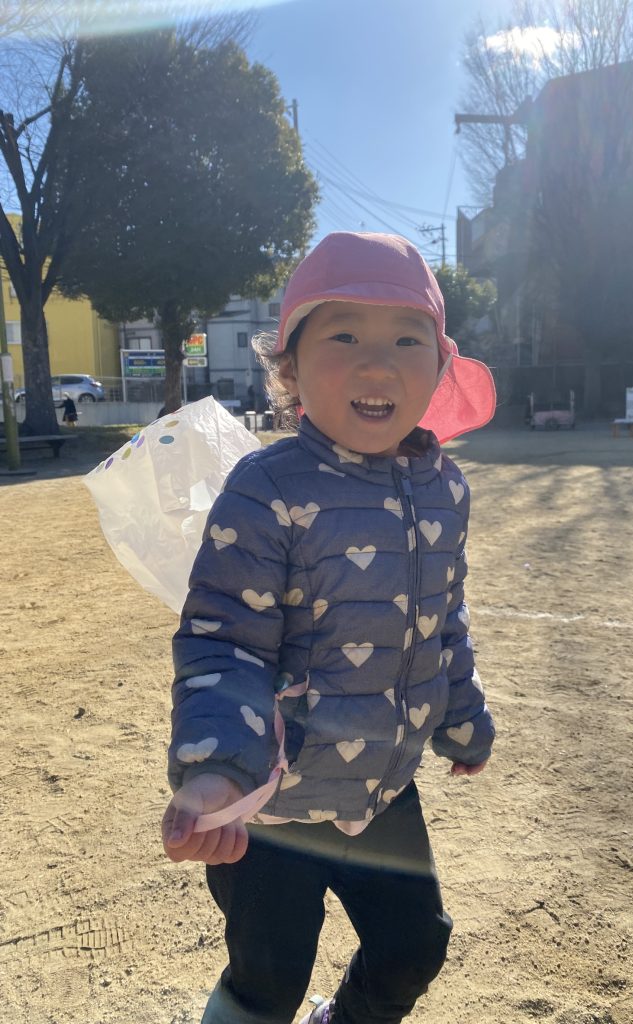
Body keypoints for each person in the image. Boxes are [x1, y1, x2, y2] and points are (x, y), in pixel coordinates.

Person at [161, 232, 497, 1024]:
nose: (378, 366)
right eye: (344, 336)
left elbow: (442, 618)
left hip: (382, 788)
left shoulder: (446, 488)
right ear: (290, 369)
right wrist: (217, 771)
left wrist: (463, 716)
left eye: (406, 340)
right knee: (268, 981)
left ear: (439, 366)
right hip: (272, 802)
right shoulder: (267, 488)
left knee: (414, 946)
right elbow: (224, 640)